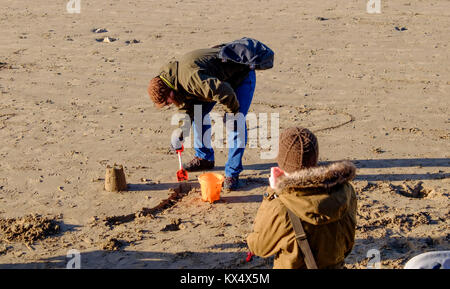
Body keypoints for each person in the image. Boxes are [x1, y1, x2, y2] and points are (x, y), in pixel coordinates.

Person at [147, 39, 266, 190]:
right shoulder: (173, 80)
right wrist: (181, 131)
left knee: (235, 124)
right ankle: (204, 158)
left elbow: (224, 92)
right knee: (198, 113)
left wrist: (232, 113)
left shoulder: (190, 80)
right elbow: (187, 107)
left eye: (167, 101)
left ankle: (232, 174)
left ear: (169, 91)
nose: (169, 104)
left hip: (240, 76)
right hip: (216, 81)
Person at [247, 127, 357, 269]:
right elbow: (348, 242)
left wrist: (273, 193)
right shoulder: (346, 191)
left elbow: (259, 247)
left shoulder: (279, 206)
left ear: (281, 161)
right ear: (315, 157)